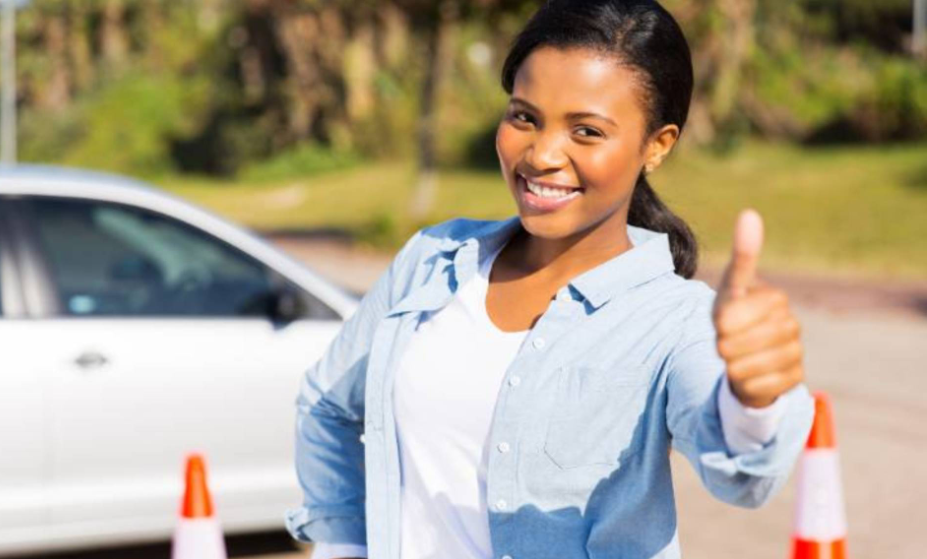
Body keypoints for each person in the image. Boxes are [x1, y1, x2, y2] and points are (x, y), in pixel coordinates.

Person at [285, 1, 814, 558]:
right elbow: (328, 405)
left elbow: (743, 474)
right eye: (524, 117)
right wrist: (344, 544)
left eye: (586, 131)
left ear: (656, 146)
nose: (541, 155)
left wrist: (752, 402)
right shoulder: (434, 260)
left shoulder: (675, 322)